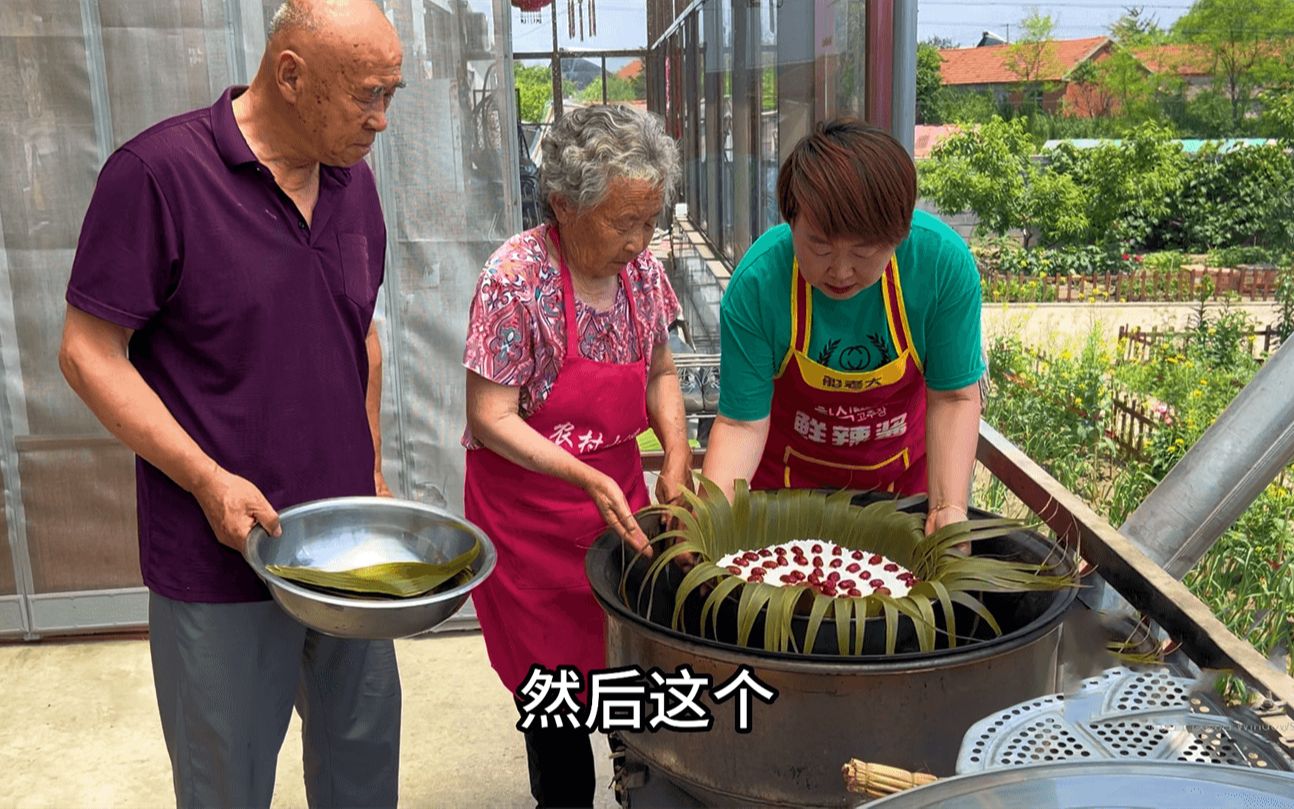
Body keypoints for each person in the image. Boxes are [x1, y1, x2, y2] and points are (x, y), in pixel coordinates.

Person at [57, 2, 404, 806]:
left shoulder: (353, 186)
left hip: (348, 549)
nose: (382, 119)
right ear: (289, 73)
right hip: (221, 559)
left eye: (392, 92)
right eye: (366, 94)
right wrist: (207, 476)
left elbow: (361, 334)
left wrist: (373, 461)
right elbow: (88, 353)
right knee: (227, 785)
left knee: (362, 770)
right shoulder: (157, 176)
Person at [462, 104, 692, 808]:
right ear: (563, 204)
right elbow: (490, 415)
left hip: (614, 509)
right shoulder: (514, 280)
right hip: (526, 523)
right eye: (623, 221)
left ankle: (638, 784)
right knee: (557, 707)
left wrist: (676, 455)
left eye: (650, 220)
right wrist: (584, 473)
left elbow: (659, 373)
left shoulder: (644, 276)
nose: (639, 239)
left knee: (634, 681)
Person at [701, 118, 985, 535]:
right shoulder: (759, 284)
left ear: (899, 234)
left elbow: (954, 398)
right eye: (818, 245)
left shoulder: (941, 266)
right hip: (782, 507)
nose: (839, 270)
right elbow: (742, 422)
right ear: (789, 219)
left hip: (901, 506)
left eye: (863, 250)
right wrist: (714, 522)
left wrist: (948, 508)